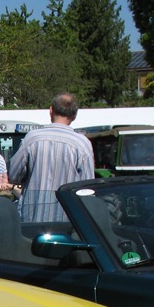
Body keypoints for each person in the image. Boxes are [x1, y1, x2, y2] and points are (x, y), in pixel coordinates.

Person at [8, 93, 95, 222]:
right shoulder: (82, 144)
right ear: (74, 115)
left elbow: (14, 175)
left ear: (50, 110)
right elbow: (87, 188)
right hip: (67, 219)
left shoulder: (32, 139)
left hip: (32, 217)